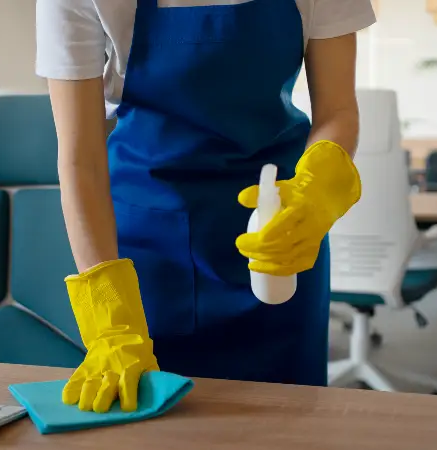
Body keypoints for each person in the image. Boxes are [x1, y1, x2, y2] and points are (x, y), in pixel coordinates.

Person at [36, 0, 375, 413]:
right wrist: (111, 324)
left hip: (279, 231)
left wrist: (317, 187)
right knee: (152, 428)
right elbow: (80, 160)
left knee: (286, 424)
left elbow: (337, 110)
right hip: (145, 257)